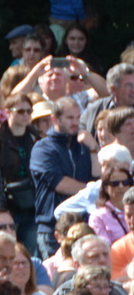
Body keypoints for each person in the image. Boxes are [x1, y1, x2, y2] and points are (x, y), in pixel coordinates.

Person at [30, 99, 93, 258]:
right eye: (70, 118)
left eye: (78, 117)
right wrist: (93, 191)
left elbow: (99, 176)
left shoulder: (84, 146)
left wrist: (94, 149)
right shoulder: (42, 147)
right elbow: (59, 183)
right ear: (54, 119)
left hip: (84, 224)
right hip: (53, 229)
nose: (76, 122)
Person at [0, 93, 41, 250]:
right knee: (5, 248)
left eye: (29, 111)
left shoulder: (35, 137)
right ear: (8, 112)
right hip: (6, 205)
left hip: (31, 205)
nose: (26, 115)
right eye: (21, 111)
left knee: (29, 251)